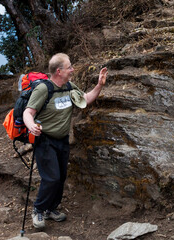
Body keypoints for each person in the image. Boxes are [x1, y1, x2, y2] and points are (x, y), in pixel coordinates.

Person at [23, 53, 108, 229]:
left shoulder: (69, 87)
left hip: (62, 140)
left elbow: (85, 99)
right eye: (69, 67)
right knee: (52, 177)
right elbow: (28, 112)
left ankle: (50, 209)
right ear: (59, 71)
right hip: (45, 140)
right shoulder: (43, 89)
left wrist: (99, 85)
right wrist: (31, 126)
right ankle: (38, 209)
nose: (72, 69)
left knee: (61, 177)